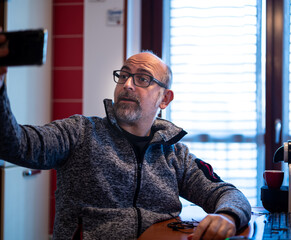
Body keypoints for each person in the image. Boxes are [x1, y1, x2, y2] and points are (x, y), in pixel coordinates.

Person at [0, 33, 251, 240]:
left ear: (165, 99)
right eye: (123, 75)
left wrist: (227, 216)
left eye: (142, 78)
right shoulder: (79, 133)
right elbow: (15, 145)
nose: (128, 84)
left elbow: (228, 193)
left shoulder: (175, 155)